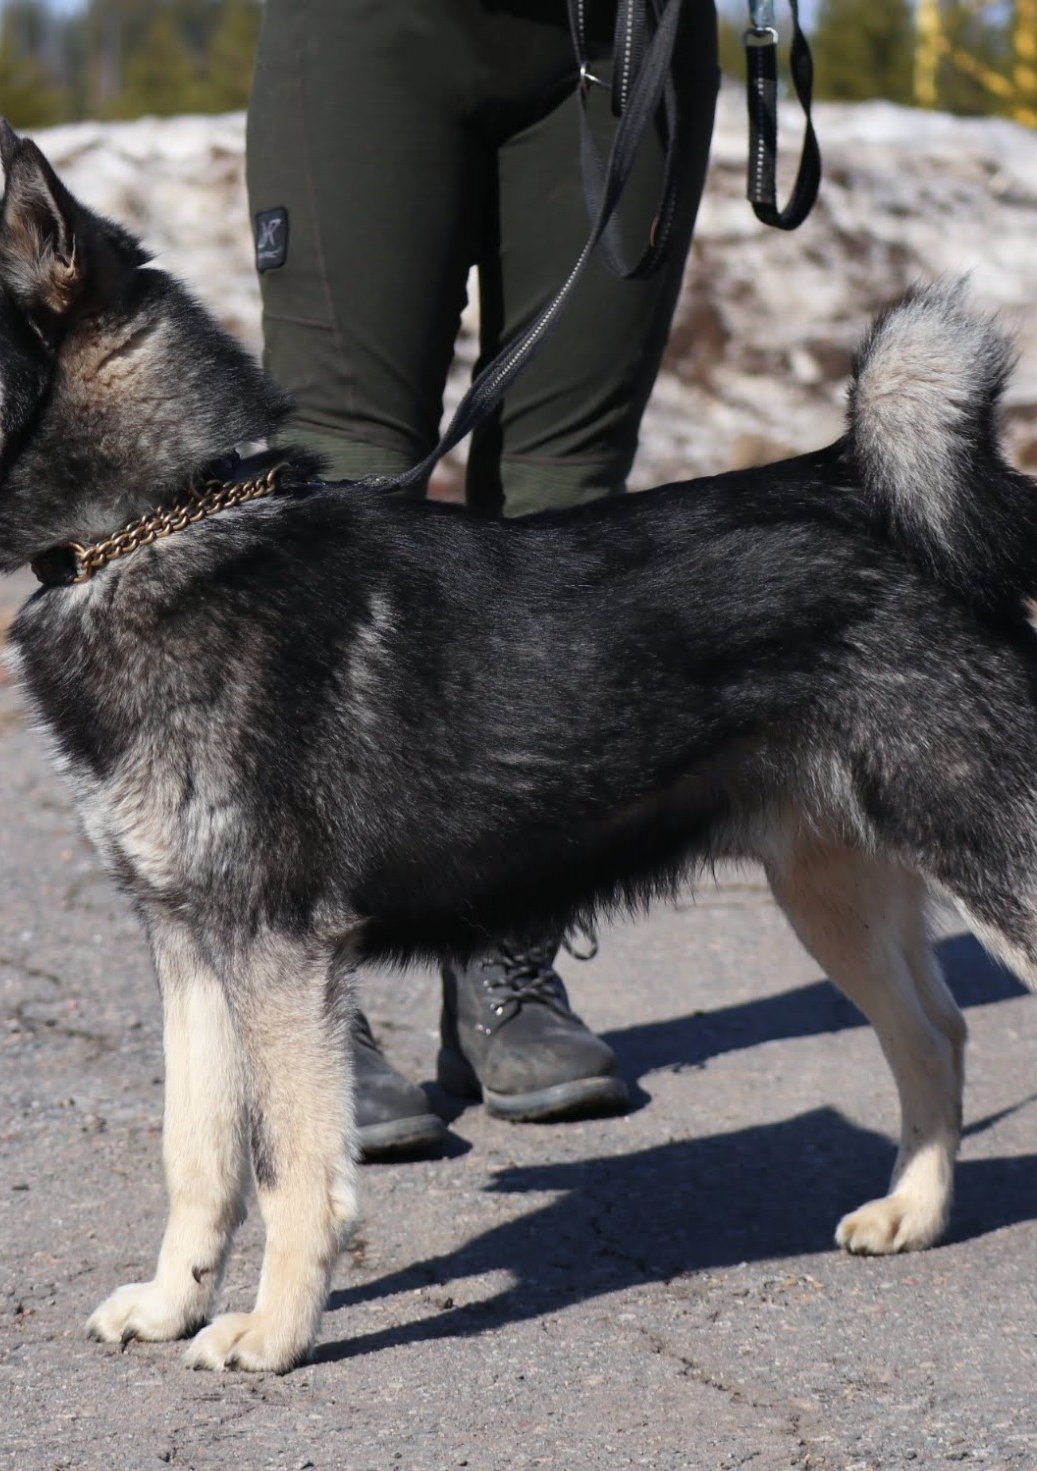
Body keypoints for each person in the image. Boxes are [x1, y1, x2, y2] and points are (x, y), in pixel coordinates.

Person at [245, 0, 720, 1157]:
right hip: (376, 31)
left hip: (621, 32)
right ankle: (307, 994)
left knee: (568, 510)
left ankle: (507, 950)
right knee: (345, 498)